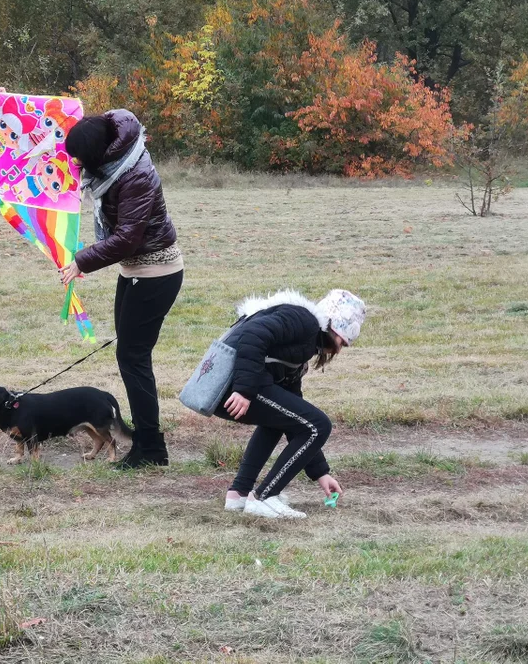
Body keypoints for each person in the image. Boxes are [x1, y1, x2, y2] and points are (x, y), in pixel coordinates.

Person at [59, 110, 183, 468]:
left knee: (133, 358)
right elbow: (50, 136)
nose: (78, 164)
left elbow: (128, 237)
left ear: (99, 153)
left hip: (156, 273)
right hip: (136, 271)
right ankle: (146, 440)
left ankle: (150, 447)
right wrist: (3, 106)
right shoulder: (110, 148)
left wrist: (83, 260)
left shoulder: (136, 176)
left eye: (82, 158)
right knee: (129, 357)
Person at [217, 289, 366, 518]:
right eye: (343, 342)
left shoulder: (304, 339)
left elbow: (294, 407)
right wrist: (244, 390)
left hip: (234, 385)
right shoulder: (304, 321)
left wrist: (320, 473)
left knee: (287, 420)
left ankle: (239, 493)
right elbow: (252, 334)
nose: (338, 348)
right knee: (320, 425)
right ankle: (265, 497)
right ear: (337, 328)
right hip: (234, 386)